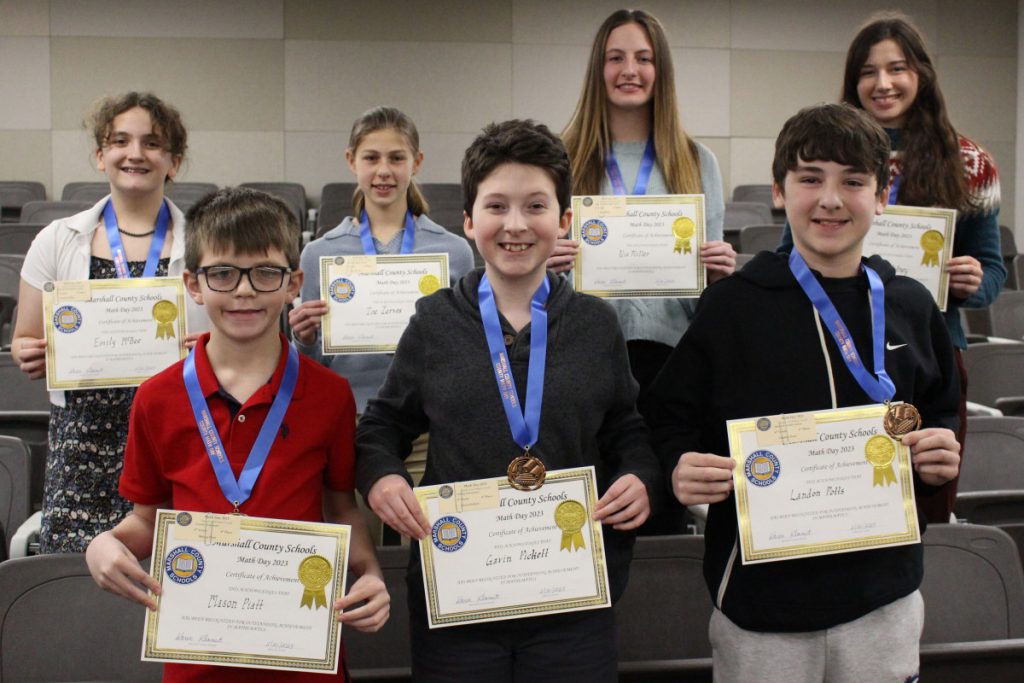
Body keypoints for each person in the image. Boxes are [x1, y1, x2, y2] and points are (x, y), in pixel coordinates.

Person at [647, 103, 961, 682]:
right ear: (778, 190)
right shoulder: (731, 307)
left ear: (882, 193)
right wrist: (675, 467)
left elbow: (940, 410)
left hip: (883, 596)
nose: (831, 199)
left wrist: (940, 452)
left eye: (853, 182)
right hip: (761, 605)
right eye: (810, 178)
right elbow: (665, 419)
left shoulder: (912, 306)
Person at [356, 120, 660, 682]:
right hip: (460, 597)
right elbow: (381, 426)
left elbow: (627, 430)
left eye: (535, 206)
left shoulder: (596, 324)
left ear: (564, 221)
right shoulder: (435, 322)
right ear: (469, 221)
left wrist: (640, 475)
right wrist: (383, 477)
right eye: (496, 207)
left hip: (572, 598)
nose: (515, 225)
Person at [85, 187, 389, 682]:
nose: (244, 290)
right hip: (197, 657)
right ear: (193, 284)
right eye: (223, 273)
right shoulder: (157, 398)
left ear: (293, 284)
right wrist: (106, 544)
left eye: (265, 272)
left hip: (304, 655)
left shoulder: (331, 396)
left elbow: (341, 508)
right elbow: (146, 519)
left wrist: (370, 576)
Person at [775, 12, 1004, 521]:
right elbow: (788, 253)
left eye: (896, 68)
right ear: (853, 82)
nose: (882, 84)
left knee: (919, 501)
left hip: (930, 352)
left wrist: (975, 281)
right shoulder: (823, 157)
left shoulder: (969, 162)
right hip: (827, 345)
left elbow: (993, 271)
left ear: (921, 74)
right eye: (867, 71)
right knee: (827, 499)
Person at [11, 92, 203, 553]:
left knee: (174, 573)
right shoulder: (57, 239)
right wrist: (28, 352)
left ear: (173, 161)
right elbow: (22, 339)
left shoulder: (203, 240)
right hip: (82, 443)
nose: (135, 153)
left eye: (152, 143)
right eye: (120, 141)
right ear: (101, 155)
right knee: (76, 585)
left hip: (178, 437)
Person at [289, 107, 474, 530]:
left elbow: (465, 352)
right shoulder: (319, 254)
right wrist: (303, 339)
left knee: (425, 552)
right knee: (360, 557)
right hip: (351, 423)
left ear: (417, 162)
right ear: (351, 161)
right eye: (371, 158)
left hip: (429, 425)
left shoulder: (455, 252)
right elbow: (315, 368)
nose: (384, 171)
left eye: (396, 158)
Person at [556, 8, 736, 398]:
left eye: (643, 58)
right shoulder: (562, 158)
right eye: (615, 58)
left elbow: (709, 295)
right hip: (581, 354)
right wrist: (546, 262)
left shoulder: (697, 160)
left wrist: (718, 276)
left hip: (674, 356)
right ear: (597, 70)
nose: (629, 70)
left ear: (661, 70)